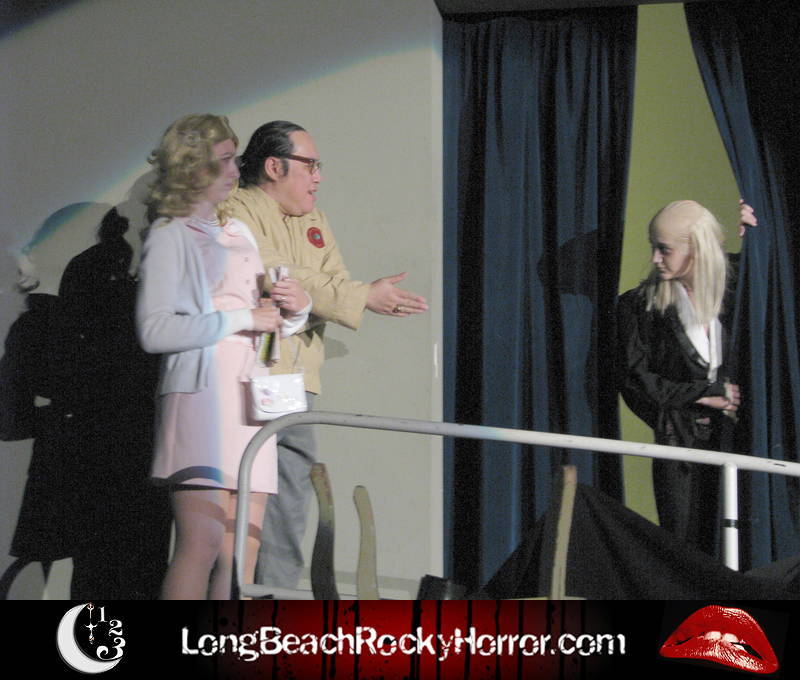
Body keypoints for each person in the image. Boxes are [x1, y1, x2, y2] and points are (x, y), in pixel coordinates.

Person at [223, 120, 428, 590]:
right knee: (242, 503)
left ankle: (273, 604)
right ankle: (234, 601)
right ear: (274, 166)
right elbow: (277, 275)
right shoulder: (236, 210)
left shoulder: (315, 220)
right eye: (310, 165)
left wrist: (347, 295)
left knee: (291, 501)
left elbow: (327, 281)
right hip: (249, 374)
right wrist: (359, 296)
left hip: (296, 381)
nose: (319, 176)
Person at [136, 114, 309, 599]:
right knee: (203, 542)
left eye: (235, 159)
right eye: (225, 160)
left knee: (241, 553)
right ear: (192, 166)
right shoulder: (170, 234)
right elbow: (154, 330)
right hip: (202, 400)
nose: (235, 170)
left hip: (252, 399)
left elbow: (263, 318)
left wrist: (294, 310)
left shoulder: (237, 232)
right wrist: (242, 318)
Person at [616, 199, 756, 555]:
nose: (654, 258)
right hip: (679, 445)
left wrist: (758, 235)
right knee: (684, 544)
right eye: (653, 247)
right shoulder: (639, 306)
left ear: (696, 248)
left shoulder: (742, 288)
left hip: (738, 439)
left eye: (664, 249)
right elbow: (635, 380)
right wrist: (701, 393)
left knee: (739, 541)